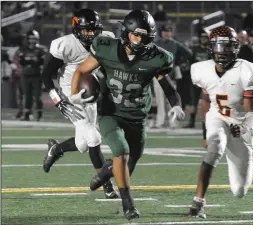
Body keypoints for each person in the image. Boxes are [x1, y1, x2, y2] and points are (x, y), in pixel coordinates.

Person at [70, 9, 185, 220]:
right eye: (136, 34)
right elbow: (81, 71)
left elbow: (167, 86)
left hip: (137, 115)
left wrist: (176, 104)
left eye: (145, 36)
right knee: (121, 151)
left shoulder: (156, 57)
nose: (140, 40)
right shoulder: (106, 49)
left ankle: (106, 171)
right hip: (110, 112)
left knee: (132, 159)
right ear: (126, 32)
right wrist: (74, 95)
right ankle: (128, 204)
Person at [188, 26, 253, 219]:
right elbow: (206, 99)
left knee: (239, 190)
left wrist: (246, 127)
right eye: (218, 47)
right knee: (214, 148)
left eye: (226, 47)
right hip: (217, 115)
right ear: (211, 48)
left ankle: (252, 152)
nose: (222, 52)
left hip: (240, 120)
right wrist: (205, 131)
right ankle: (198, 203)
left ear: (235, 48)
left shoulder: (248, 71)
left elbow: (252, 106)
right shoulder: (202, 69)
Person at [41, 9, 118, 199]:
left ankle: (56, 149)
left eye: (93, 30)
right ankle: (106, 184)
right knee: (93, 138)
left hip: (89, 89)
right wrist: (58, 101)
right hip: (69, 92)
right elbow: (46, 75)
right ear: (76, 29)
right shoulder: (66, 45)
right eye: (86, 31)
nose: (90, 34)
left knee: (83, 144)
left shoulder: (105, 40)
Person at [154, 23, 193, 128]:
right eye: (165, 31)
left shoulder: (175, 44)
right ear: (161, 32)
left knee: (172, 101)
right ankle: (160, 122)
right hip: (157, 75)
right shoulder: (155, 43)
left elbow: (189, 53)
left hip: (170, 75)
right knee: (160, 101)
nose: (167, 33)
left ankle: (173, 122)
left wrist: (179, 61)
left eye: (169, 31)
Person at [16, 30, 47, 121]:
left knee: (37, 96)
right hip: (26, 75)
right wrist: (31, 61)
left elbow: (41, 62)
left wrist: (31, 61)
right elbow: (22, 62)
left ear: (37, 39)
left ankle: (39, 114)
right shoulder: (23, 49)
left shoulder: (41, 49)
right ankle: (27, 114)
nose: (32, 40)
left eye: (33, 38)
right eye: (30, 38)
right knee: (27, 96)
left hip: (37, 75)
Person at [184, 29, 210, 128]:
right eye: (202, 38)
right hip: (197, 79)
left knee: (207, 101)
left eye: (205, 38)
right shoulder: (194, 49)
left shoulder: (211, 49)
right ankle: (192, 121)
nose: (203, 40)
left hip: (207, 80)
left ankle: (207, 122)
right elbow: (190, 62)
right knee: (194, 101)